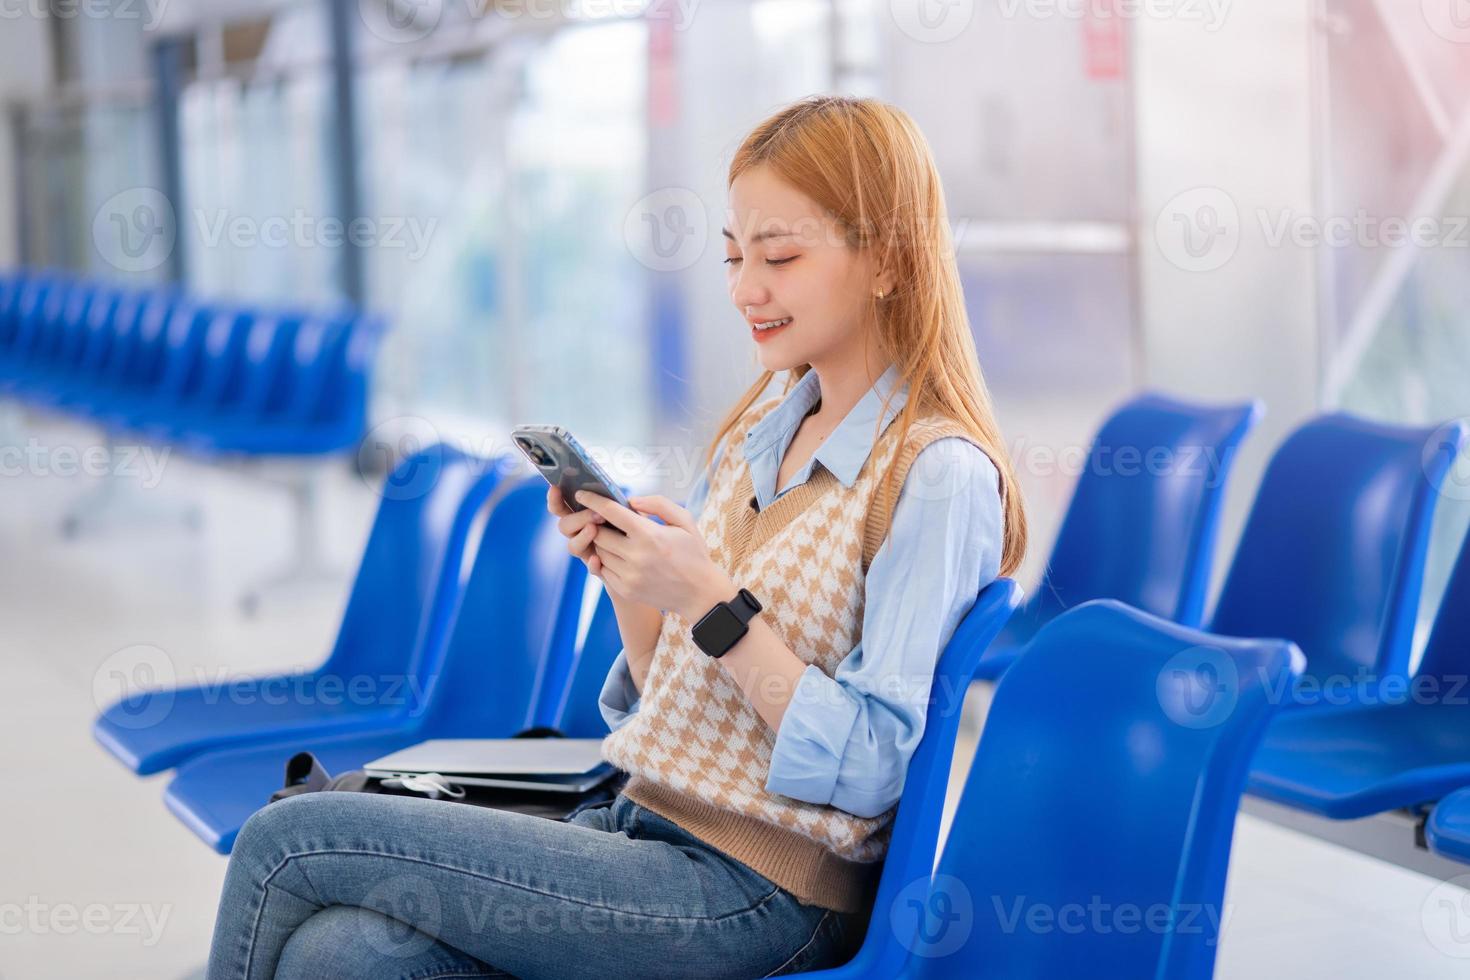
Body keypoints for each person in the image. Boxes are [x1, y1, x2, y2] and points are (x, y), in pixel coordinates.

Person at [205, 94, 1028, 980]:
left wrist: (711, 604)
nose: (746, 290)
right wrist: (637, 593)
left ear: (890, 261)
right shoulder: (761, 433)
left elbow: (872, 770)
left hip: (757, 892)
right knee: (343, 957)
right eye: (734, 256)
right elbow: (671, 706)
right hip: (638, 827)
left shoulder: (935, 476)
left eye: (780, 257)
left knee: (288, 838)